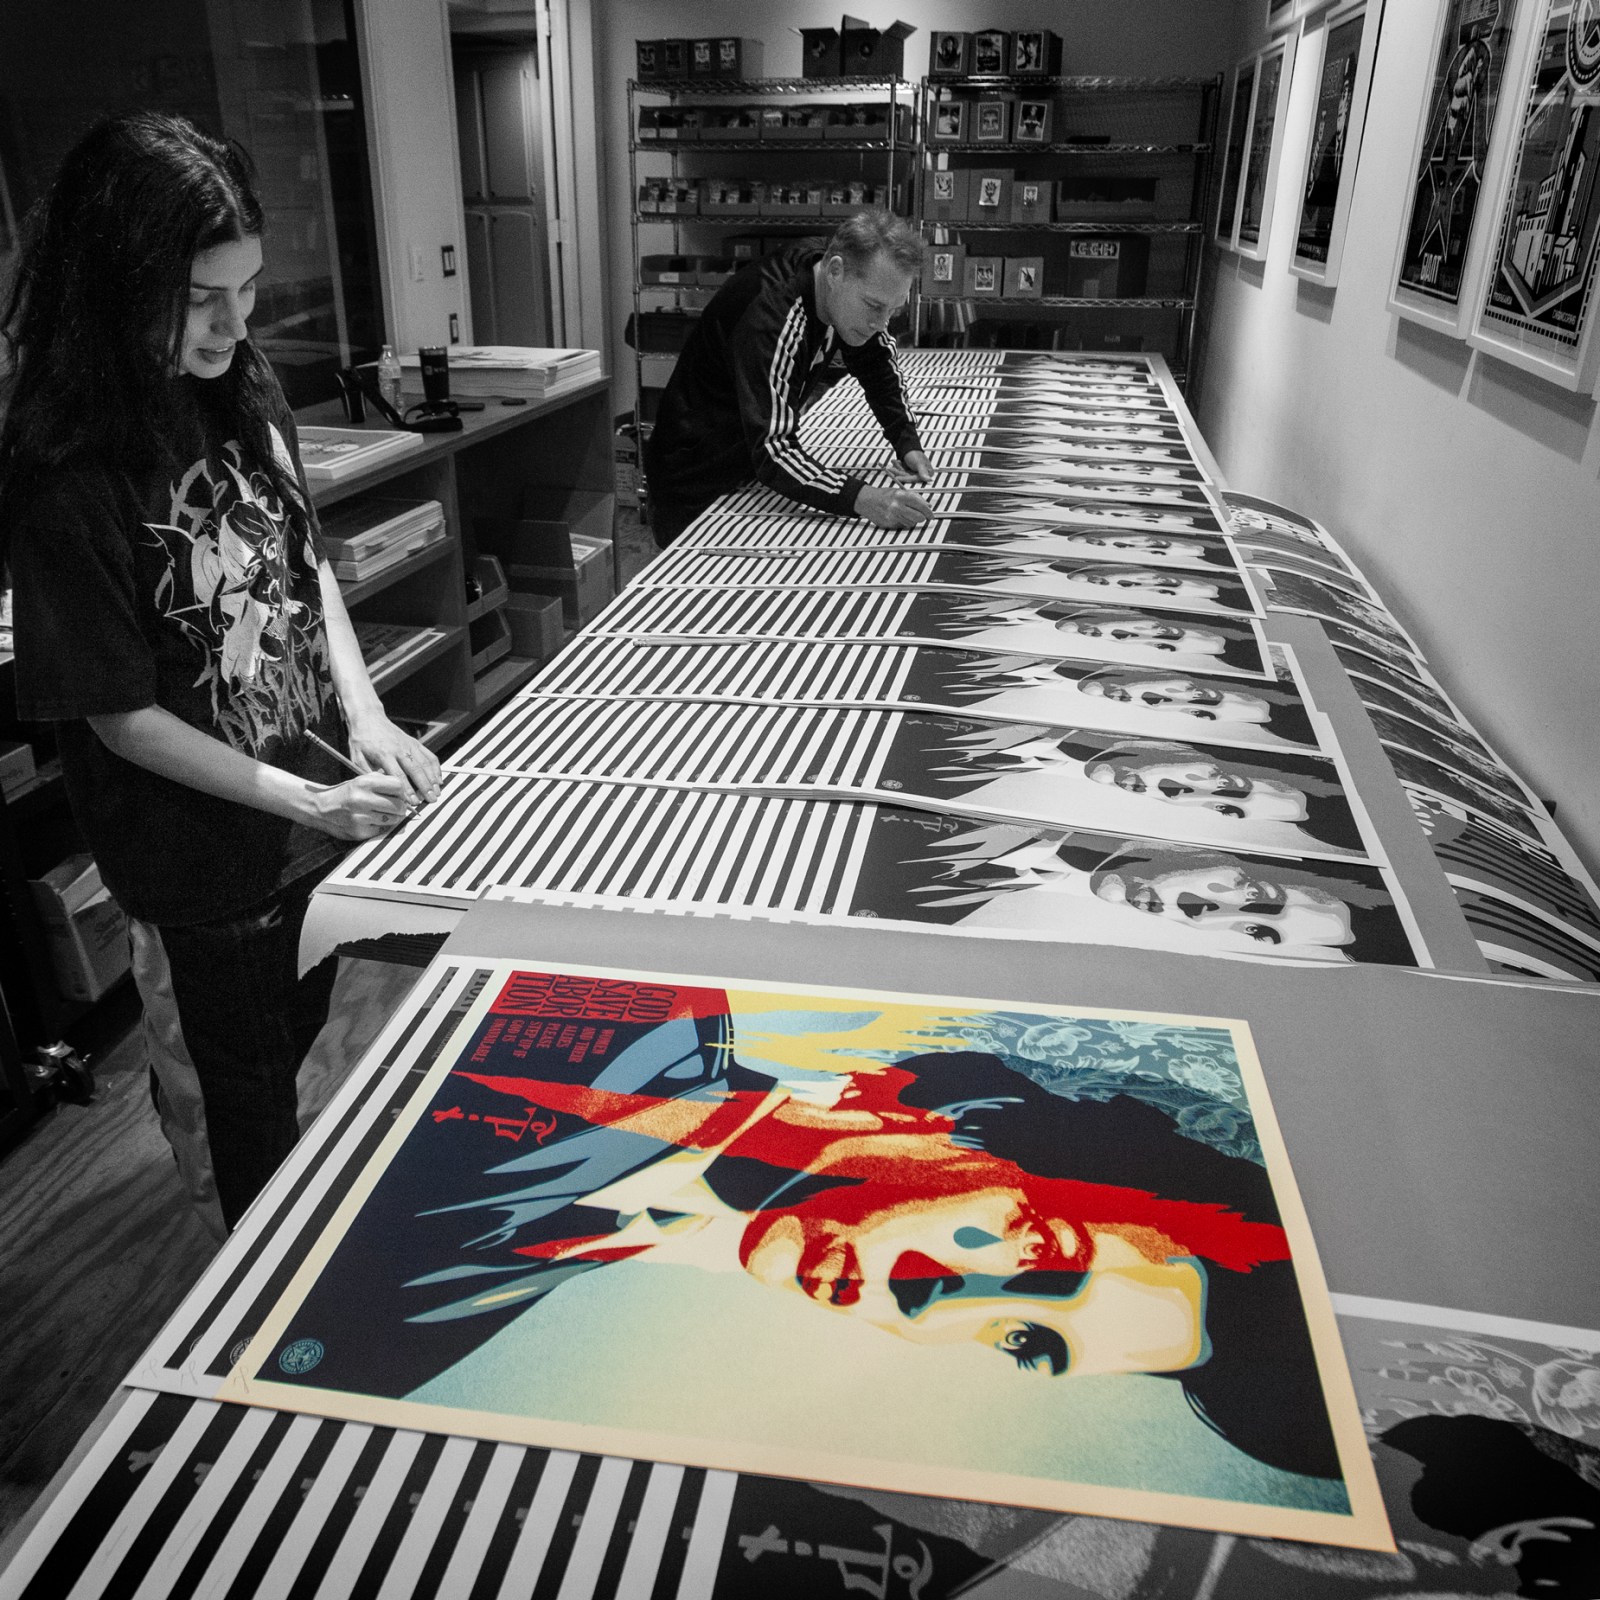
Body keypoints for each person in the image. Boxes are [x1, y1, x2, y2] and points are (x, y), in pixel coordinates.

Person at [270, 995, 1343, 1481]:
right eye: (1026, 1252)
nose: (930, 1304)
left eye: (1021, 1341)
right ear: (999, 1133)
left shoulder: (413, 1335)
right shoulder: (648, 1023)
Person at [0, 112, 441, 1238]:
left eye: (246, 294)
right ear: (119, 279)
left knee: (333, 1086)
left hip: (312, 815)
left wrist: (369, 716)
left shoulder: (240, 385)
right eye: (203, 298)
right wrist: (308, 795)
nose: (232, 327)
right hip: (205, 871)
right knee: (242, 1142)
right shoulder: (65, 468)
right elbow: (121, 719)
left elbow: (307, 570)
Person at [642, 209, 934, 546]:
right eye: (874, 306)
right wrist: (865, 498)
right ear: (836, 272)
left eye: (893, 310)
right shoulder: (772, 316)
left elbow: (876, 362)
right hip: (695, 482)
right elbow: (774, 450)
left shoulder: (837, 284)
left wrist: (906, 441)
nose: (881, 323)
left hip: (745, 471)